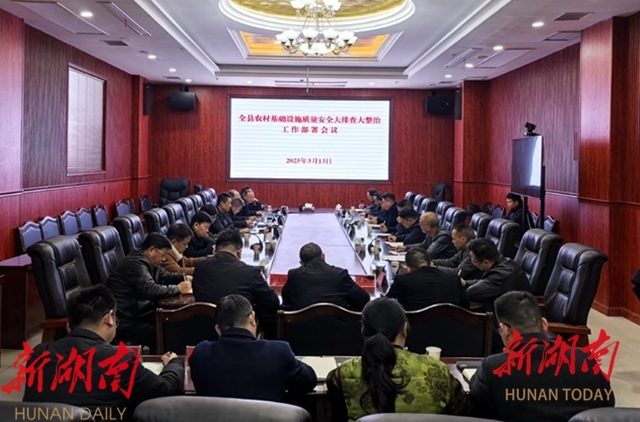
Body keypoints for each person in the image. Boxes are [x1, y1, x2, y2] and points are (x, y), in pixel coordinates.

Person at [23, 285, 185, 420]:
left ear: (68, 326)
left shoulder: (38, 354)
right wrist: (174, 363)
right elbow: (166, 390)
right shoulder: (119, 360)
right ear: (109, 318)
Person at [470, 291, 615, 422]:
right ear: (545, 325)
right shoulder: (585, 359)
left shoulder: (494, 367)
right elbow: (607, 404)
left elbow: (475, 402)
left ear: (504, 330)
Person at [327, 297, 470, 421]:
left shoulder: (344, 373)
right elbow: (463, 410)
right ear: (405, 329)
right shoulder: (437, 370)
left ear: (363, 330)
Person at [189, 295, 317, 402]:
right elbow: (309, 381)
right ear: (252, 319)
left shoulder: (200, 354)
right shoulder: (278, 352)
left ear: (218, 329)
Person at [107, 233, 192, 352]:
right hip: (126, 320)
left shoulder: (150, 262)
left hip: (139, 312)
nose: (164, 259)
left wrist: (184, 277)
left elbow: (166, 276)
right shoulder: (136, 264)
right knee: (163, 332)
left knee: (173, 323)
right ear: (151, 250)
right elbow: (152, 290)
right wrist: (178, 289)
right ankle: (161, 358)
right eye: (163, 255)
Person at [462, 238, 530, 352]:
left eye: (474, 262)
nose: (473, 264)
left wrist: (466, 286)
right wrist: (466, 282)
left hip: (510, 325)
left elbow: (472, 293)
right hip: (509, 315)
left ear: (486, 262)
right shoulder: (505, 262)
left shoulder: (499, 276)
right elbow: (487, 282)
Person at [192, 229, 279, 318]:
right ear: (239, 253)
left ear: (214, 251)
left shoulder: (200, 267)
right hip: (238, 326)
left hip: (203, 325)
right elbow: (273, 303)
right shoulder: (251, 272)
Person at [282, 242, 370, 311]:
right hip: (340, 328)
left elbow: (286, 302)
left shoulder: (294, 275)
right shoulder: (340, 274)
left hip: (301, 328)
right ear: (323, 256)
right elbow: (364, 299)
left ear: (301, 263)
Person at [386, 247, 469, 310]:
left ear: (408, 268)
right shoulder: (454, 279)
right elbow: (465, 305)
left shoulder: (402, 281)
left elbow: (386, 304)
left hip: (415, 326)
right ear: (430, 263)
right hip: (451, 326)